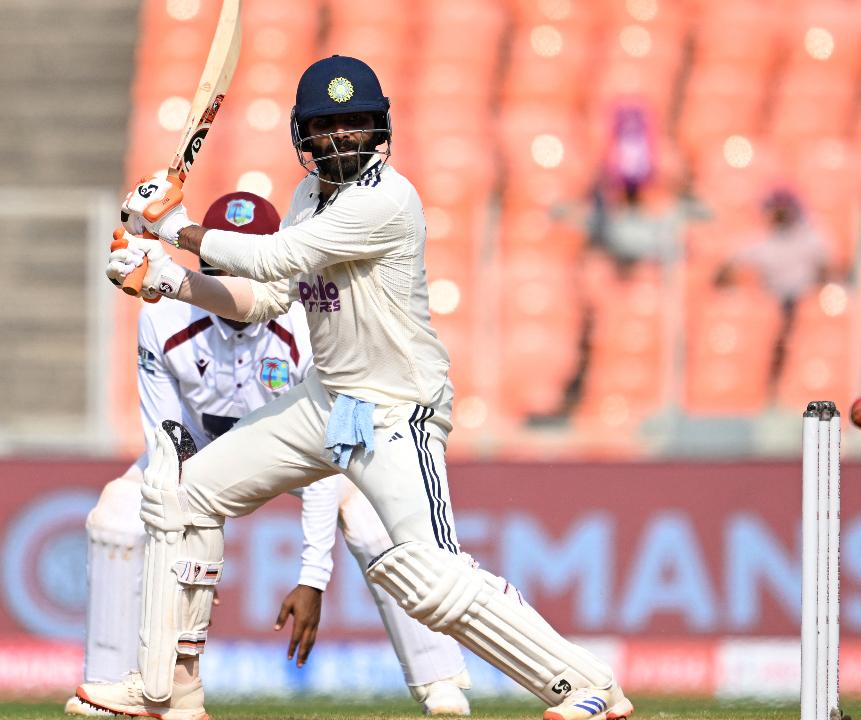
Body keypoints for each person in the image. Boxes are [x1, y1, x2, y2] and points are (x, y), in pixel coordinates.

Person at [80, 55, 631, 720]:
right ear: (302, 135)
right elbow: (268, 298)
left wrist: (171, 229)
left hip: (397, 410)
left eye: (357, 124)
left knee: (427, 578)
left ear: (380, 130)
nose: (343, 137)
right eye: (328, 125)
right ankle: (170, 688)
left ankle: (586, 685)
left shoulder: (386, 201)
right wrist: (168, 280)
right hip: (324, 400)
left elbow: (276, 257)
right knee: (184, 495)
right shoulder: (308, 196)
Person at [68, 192, 472, 717]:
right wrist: (179, 533)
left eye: (248, 265)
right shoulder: (162, 315)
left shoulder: (306, 320)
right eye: (221, 269)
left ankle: (440, 684)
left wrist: (312, 577)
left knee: (375, 519)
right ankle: (112, 686)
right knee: (117, 514)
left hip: (299, 451)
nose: (236, 283)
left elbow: (328, 453)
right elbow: (165, 437)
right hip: (201, 453)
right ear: (204, 264)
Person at [714, 188, 832, 398]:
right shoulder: (761, 240)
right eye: (776, 207)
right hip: (771, 305)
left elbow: (828, 272)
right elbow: (725, 269)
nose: (780, 212)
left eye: (784, 207)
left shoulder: (810, 237)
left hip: (802, 303)